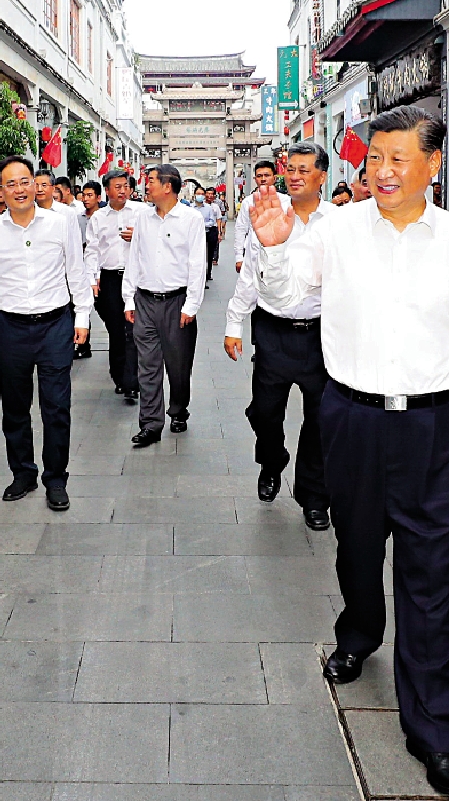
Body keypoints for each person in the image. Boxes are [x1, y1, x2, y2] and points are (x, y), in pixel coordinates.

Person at [250, 105, 449, 797]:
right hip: (353, 418)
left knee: (431, 573)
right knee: (358, 545)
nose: (383, 171)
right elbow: (284, 294)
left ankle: (433, 728)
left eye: (400, 158)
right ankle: (359, 629)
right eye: (374, 159)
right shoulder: (336, 230)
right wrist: (274, 246)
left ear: (433, 164)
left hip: (438, 425)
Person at [0, 155, 91, 510]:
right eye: (11, 184)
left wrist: (82, 317)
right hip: (11, 328)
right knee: (15, 407)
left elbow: (76, 271)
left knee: (56, 407)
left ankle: (56, 478)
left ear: (36, 185)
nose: (20, 189)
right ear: (0, 190)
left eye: (26, 181)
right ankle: (22, 473)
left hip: (55, 325)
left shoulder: (60, 224)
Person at [225, 141, 334, 530]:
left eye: (306, 169)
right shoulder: (269, 214)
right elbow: (250, 275)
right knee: (265, 414)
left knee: (321, 419)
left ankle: (314, 495)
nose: (297, 175)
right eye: (293, 168)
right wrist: (234, 323)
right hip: (273, 332)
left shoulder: (338, 223)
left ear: (322, 176)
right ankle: (271, 462)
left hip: (321, 336)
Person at [122, 163, 206, 447]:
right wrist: (128, 298)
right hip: (144, 300)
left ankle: (179, 410)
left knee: (179, 365)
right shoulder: (143, 219)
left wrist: (191, 305)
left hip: (177, 302)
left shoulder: (191, 219)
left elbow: (197, 264)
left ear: (167, 186)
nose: (147, 186)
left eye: (152, 181)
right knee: (147, 365)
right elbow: (134, 258)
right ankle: (150, 424)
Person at [235, 162, 278, 270]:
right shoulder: (248, 202)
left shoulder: (285, 201)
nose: (263, 179)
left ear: (274, 178)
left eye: (267, 175)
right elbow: (240, 229)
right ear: (255, 179)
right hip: (253, 254)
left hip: (278, 256)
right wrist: (239, 257)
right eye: (259, 176)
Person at [194, 187, 222, 282]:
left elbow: (215, 220)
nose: (200, 196)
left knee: (209, 254)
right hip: (194, 234)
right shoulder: (190, 208)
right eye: (198, 194)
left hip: (208, 232)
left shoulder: (210, 208)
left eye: (202, 194)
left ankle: (207, 273)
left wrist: (219, 232)